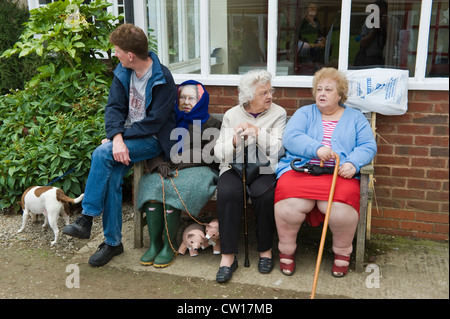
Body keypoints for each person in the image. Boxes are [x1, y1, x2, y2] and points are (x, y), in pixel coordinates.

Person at [62, 24, 177, 267]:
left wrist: (119, 137)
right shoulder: (123, 72)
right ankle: (113, 242)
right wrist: (117, 138)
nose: (114, 54)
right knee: (112, 178)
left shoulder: (163, 78)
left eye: (117, 50)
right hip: (124, 140)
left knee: (101, 153)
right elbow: (113, 107)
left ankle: (86, 218)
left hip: (152, 141)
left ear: (130, 55)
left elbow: (154, 123)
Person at [274, 67, 377, 277]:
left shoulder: (355, 118)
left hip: (338, 175)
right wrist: (316, 148)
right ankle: (286, 250)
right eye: (319, 89)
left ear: (340, 95)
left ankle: (342, 252)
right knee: (289, 205)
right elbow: (291, 137)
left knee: (340, 208)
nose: (322, 93)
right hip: (302, 169)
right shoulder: (305, 113)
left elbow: (368, 145)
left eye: (328, 89)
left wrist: (353, 163)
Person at [135, 80, 222, 268]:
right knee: (153, 183)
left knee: (176, 187)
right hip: (168, 166)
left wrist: (180, 161)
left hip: (200, 170)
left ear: (201, 100)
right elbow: (153, 146)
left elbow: (211, 155)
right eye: (182, 97)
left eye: (191, 98)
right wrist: (158, 164)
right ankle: (155, 244)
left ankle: (169, 244)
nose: (186, 101)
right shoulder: (169, 121)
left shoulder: (213, 124)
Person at [213, 69, 286, 283]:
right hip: (234, 168)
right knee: (227, 193)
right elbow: (219, 154)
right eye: (263, 93)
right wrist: (234, 142)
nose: (269, 96)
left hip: (263, 168)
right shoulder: (231, 115)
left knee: (264, 195)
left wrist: (257, 132)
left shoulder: (278, 113)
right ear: (248, 96)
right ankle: (228, 257)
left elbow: (278, 149)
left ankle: (265, 251)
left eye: (270, 91)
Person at [353, 0, 388, 67]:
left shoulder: (389, 22)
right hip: (368, 58)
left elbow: (393, 40)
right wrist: (375, 30)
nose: (379, 17)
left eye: (382, 14)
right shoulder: (369, 23)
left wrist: (386, 24)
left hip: (381, 58)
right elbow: (363, 43)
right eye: (377, 14)